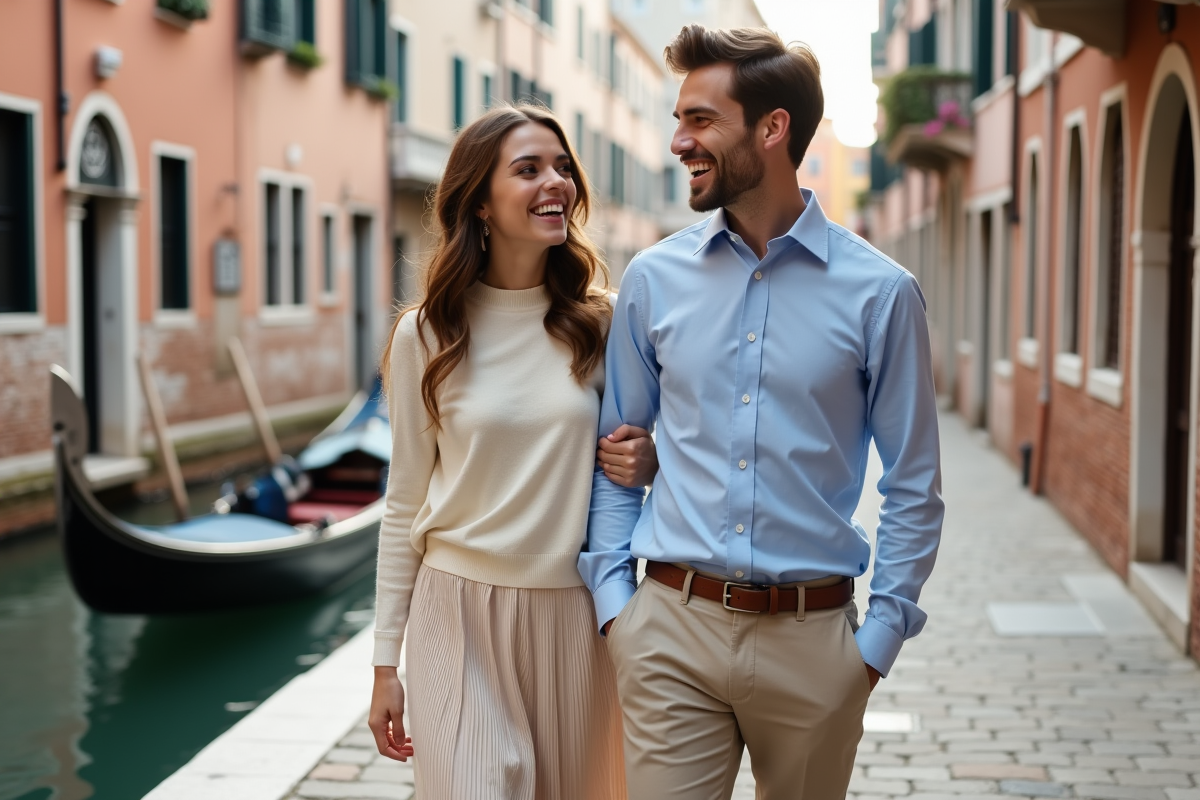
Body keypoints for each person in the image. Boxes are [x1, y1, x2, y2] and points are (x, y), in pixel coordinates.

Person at [580, 25, 945, 800]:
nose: (679, 142)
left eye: (701, 120)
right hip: (669, 635)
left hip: (813, 647)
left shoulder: (882, 294)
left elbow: (914, 485)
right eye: (679, 120)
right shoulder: (652, 279)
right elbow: (617, 454)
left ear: (773, 128)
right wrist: (618, 608)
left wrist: (872, 650)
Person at [368, 104, 658, 800]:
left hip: (577, 619)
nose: (555, 182)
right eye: (528, 169)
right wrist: (384, 664)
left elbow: (665, 450)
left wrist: (652, 461)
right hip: (456, 616)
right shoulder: (426, 335)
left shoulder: (605, 322)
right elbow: (404, 501)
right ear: (480, 203)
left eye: (562, 167)